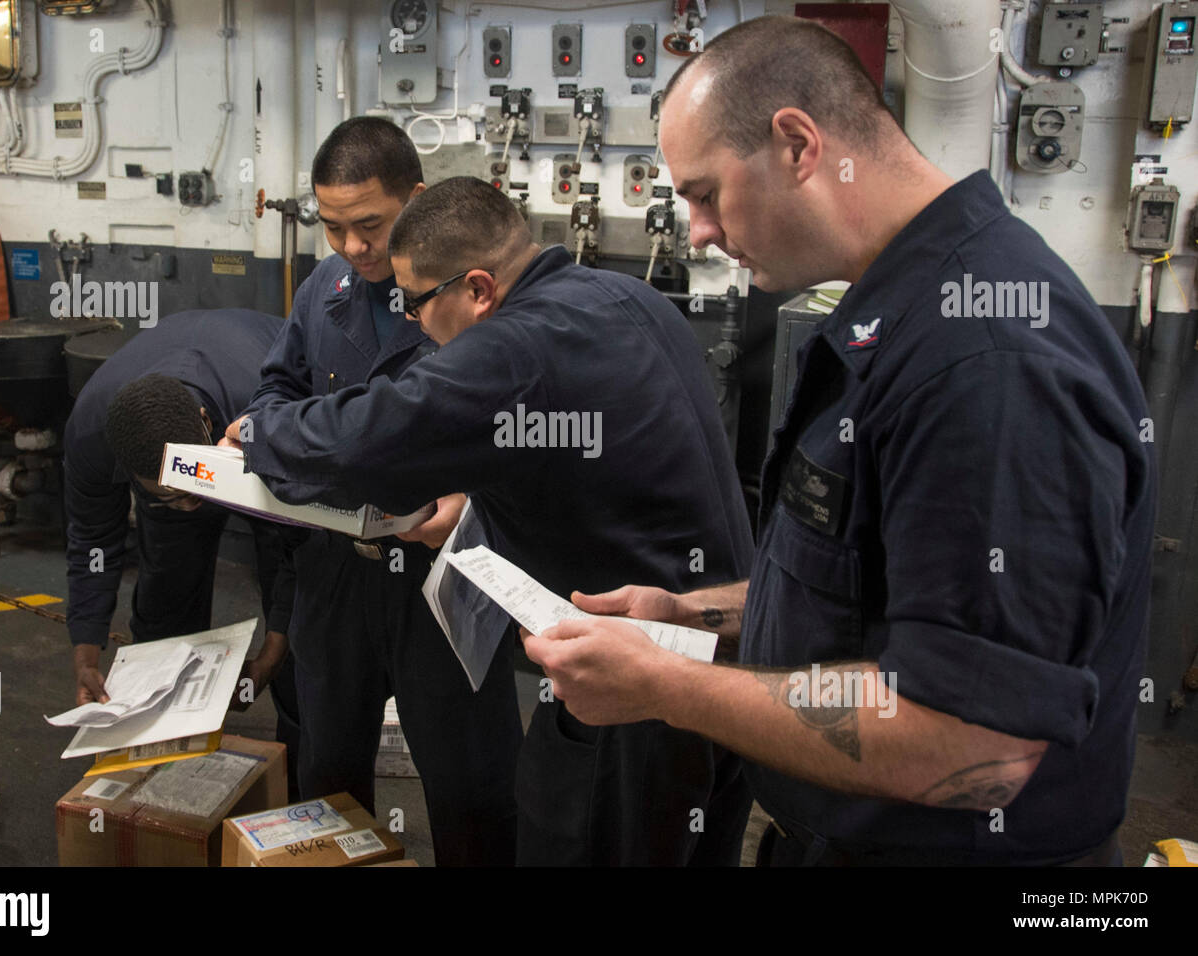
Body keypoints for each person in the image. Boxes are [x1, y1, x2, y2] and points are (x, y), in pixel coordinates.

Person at [522, 15, 1155, 866]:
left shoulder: (986, 362)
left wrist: (666, 687)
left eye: (705, 193)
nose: (699, 231)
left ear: (796, 144)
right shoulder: (905, 306)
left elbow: (977, 747)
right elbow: (867, 589)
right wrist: (689, 619)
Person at [228, 175, 756, 866]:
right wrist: (478, 506)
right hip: (724, 671)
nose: (413, 321)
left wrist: (258, 435)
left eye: (417, 302)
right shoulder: (623, 298)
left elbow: (373, 438)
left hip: (631, 701)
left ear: (477, 289)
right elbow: (579, 460)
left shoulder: (515, 344)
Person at [236, 118, 524, 867]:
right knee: (325, 772)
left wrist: (479, 505)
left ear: (418, 200)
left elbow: (527, 439)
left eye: (370, 225)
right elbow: (275, 392)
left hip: (443, 575)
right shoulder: (325, 289)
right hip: (335, 569)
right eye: (333, 228)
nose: (354, 249)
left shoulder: (477, 295)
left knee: (470, 784)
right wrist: (271, 438)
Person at [64, 309, 300, 794]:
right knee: (164, 606)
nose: (191, 505)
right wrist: (86, 649)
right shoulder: (93, 435)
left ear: (204, 422)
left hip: (251, 439)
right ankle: (161, 769)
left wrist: (273, 652)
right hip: (185, 450)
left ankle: (298, 780)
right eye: (166, 492)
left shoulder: (269, 408)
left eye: (189, 486)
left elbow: (295, 546)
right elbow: (92, 539)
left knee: (303, 646)